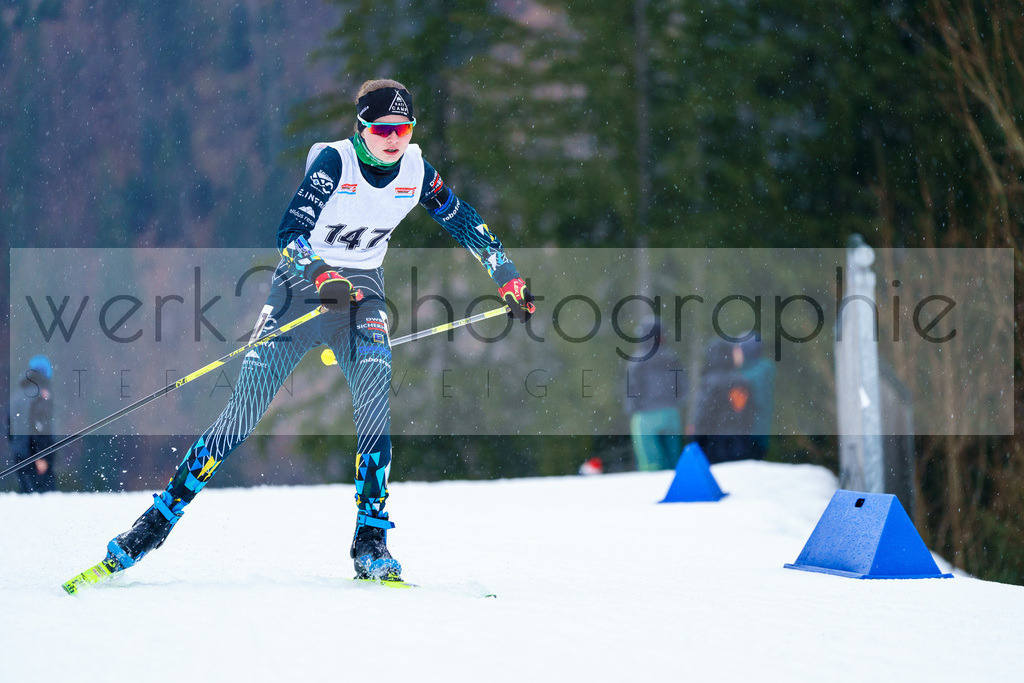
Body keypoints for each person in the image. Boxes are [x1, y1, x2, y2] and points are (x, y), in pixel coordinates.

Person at [91, 79, 535, 582]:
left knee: (374, 402)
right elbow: (290, 234)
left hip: (362, 292)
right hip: (299, 288)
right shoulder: (335, 164)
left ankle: (370, 542)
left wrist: (506, 274)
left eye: (405, 128)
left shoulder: (417, 171)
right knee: (243, 413)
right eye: (385, 128)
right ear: (363, 127)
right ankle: (152, 525)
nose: (395, 138)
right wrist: (321, 274)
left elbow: (463, 220)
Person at [624, 316, 687, 471]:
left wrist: (632, 409)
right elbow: (683, 388)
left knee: (650, 463)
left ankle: (653, 492)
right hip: (671, 414)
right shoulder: (672, 358)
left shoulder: (637, 361)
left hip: (645, 417)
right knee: (673, 461)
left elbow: (632, 391)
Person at [691, 338, 756, 464]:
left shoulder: (710, 381)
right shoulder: (741, 381)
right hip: (740, 444)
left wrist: (695, 441)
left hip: (714, 446)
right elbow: (748, 414)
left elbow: (702, 415)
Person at [7, 355, 57, 493]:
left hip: (19, 455)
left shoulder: (16, 396)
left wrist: (17, 448)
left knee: (26, 500)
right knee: (45, 501)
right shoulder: (41, 395)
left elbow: (9, 428)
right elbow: (41, 427)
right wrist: (41, 455)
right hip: (37, 457)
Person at [739, 338, 775, 460]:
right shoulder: (760, 369)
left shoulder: (756, 373)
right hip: (758, 430)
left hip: (752, 432)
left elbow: (758, 402)